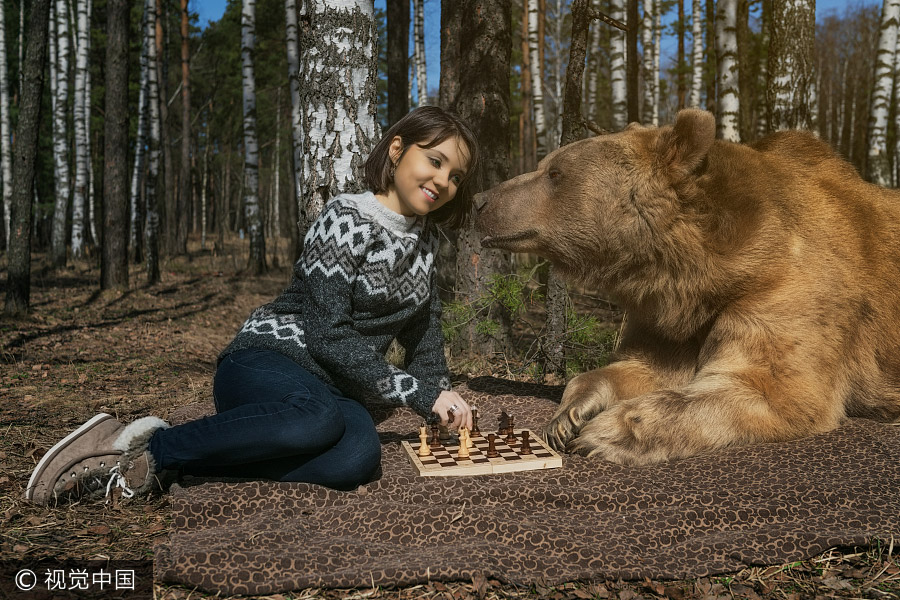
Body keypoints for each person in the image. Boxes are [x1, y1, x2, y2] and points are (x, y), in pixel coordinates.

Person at [24, 106, 481, 505]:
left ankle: (168, 467)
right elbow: (327, 334)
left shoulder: (425, 246)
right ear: (398, 149)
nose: (442, 181)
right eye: (435, 161)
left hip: (333, 389)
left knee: (356, 458)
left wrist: (438, 405)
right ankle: (148, 445)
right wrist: (419, 393)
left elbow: (425, 335)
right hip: (268, 362)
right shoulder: (347, 219)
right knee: (316, 418)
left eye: (455, 176)